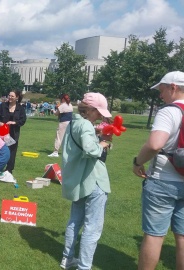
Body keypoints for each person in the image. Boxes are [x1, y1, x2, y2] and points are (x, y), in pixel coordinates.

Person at [132, 71, 184, 270]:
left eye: (162, 90)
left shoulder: (169, 111)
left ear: (173, 87)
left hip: (163, 180)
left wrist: (137, 162)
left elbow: (155, 144)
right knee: (182, 237)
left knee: (154, 235)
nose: (160, 95)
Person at [60, 92, 112, 270]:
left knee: (75, 221)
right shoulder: (86, 126)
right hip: (93, 179)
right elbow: (90, 150)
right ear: (90, 110)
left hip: (78, 179)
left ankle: (67, 259)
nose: (100, 116)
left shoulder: (74, 122)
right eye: (98, 112)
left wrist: (95, 133)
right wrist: (103, 144)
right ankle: (84, 266)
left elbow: (80, 144)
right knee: (93, 227)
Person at [0, 90, 26, 175]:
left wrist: (14, 122)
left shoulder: (20, 108)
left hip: (13, 134)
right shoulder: (3, 106)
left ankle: (9, 170)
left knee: (11, 152)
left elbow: (23, 120)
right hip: (2, 133)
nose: (10, 97)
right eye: (9, 95)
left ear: (17, 97)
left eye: (12, 96)